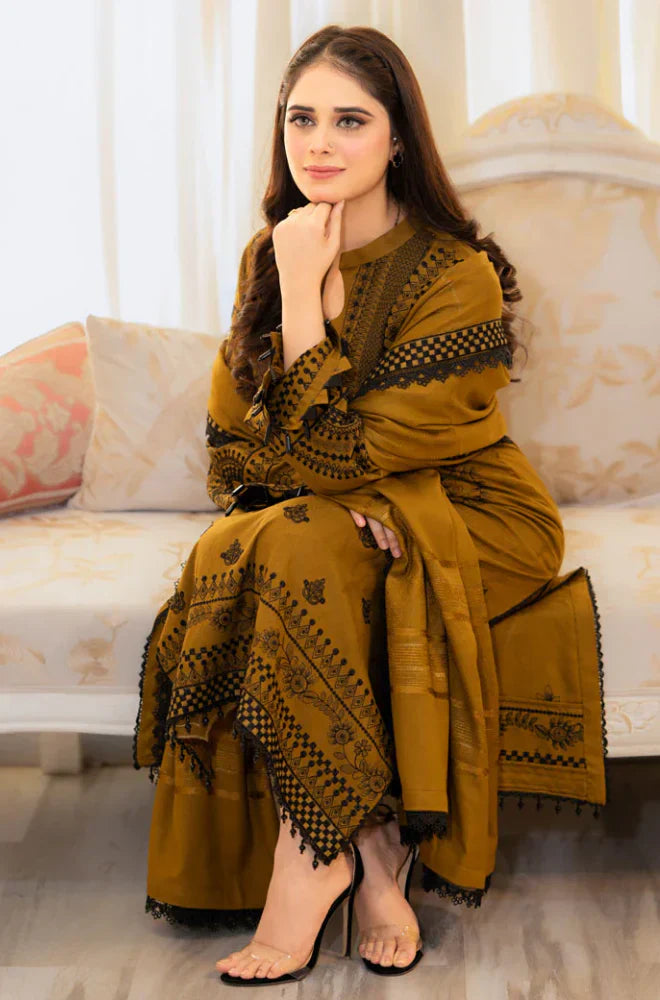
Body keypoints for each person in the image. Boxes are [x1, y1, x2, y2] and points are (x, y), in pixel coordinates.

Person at [133, 24, 608, 986]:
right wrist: (294, 286)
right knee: (276, 541)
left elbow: (353, 451)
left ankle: (308, 863)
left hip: (476, 515)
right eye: (301, 119)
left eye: (350, 120)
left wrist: (309, 308)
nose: (319, 143)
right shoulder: (270, 253)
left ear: (397, 140)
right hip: (336, 511)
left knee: (294, 540)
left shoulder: (455, 274)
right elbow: (235, 452)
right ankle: (373, 853)